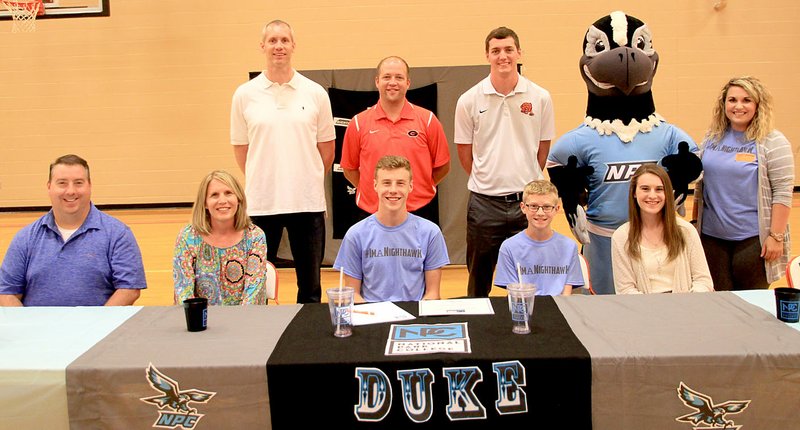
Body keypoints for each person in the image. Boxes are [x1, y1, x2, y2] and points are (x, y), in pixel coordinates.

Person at [230, 19, 335, 303]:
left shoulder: (315, 93)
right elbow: (242, 150)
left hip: (307, 203)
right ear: (262, 46)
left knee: (311, 287)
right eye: (273, 41)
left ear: (293, 46)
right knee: (255, 283)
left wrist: (306, 178)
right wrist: (266, 175)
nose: (279, 46)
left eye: (284, 40)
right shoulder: (244, 94)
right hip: (262, 203)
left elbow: (326, 149)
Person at [455, 26, 556, 297]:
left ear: (519, 53)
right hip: (484, 203)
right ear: (487, 55)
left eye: (509, 49)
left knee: (531, 277)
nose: (503, 56)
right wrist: (487, 176)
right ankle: (477, 328)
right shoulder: (469, 100)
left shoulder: (540, 97)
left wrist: (528, 179)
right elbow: (465, 151)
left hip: (528, 204)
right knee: (479, 279)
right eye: (496, 51)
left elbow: (543, 147)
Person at [0, 154, 147, 306]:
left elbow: (129, 289)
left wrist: (97, 326)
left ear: (89, 185)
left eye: (78, 183)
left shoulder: (118, 233)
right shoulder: (25, 238)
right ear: (49, 187)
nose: (70, 191)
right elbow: (7, 293)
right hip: (39, 329)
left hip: (99, 329)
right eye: (62, 183)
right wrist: (29, 328)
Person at [694, 76, 794, 290]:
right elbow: (702, 185)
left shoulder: (773, 142)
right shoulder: (712, 137)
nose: (738, 106)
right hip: (712, 238)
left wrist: (776, 237)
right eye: (732, 100)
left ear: (758, 105)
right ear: (724, 104)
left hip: (752, 240)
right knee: (718, 302)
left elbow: (782, 193)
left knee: (749, 307)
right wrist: (695, 223)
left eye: (746, 100)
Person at [341, 56, 450, 222]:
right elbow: (349, 169)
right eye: (387, 77)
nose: (393, 82)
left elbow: (442, 166)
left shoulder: (428, 120)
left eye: (399, 77)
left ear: (408, 83)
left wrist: (419, 188)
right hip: (372, 212)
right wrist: (374, 191)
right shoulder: (358, 123)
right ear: (377, 81)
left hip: (420, 211)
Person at [334, 155, 449, 303]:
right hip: (373, 318)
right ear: (375, 185)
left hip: (414, 319)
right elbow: (353, 296)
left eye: (400, 183)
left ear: (411, 186)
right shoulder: (355, 235)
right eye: (386, 183)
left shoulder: (431, 233)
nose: (393, 190)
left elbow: (432, 294)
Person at [612, 164, 713, 294]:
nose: (652, 195)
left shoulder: (687, 231)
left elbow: (703, 280)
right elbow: (625, 289)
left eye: (659, 189)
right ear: (634, 193)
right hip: (642, 310)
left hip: (685, 308)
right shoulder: (621, 236)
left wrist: (689, 303)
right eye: (645, 189)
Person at [173, 171, 267, 305]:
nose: (222, 201)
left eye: (229, 193)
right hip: (201, 320)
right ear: (205, 203)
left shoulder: (255, 236)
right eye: (214, 195)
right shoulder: (188, 237)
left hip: (245, 319)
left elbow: (253, 292)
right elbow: (183, 291)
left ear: (239, 199)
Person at [494, 180, 583, 296]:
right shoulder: (509, 247)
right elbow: (514, 293)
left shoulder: (569, 246)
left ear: (556, 209)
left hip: (559, 308)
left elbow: (567, 294)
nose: (540, 213)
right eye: (533, 206)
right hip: (525, 308)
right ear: (523, 207)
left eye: (547, 207)